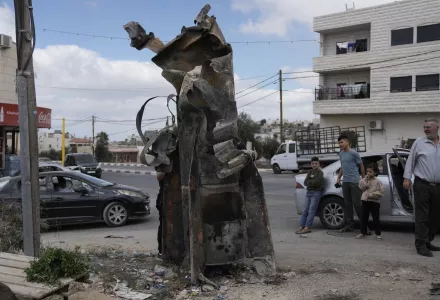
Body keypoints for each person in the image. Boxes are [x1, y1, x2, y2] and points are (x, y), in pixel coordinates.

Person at [403, 118, 440, 257]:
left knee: (435, 216)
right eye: (424, 127)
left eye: (428, 127)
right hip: (422, 184)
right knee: (422, 216)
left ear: (437, 127)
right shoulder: (419, 142)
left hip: (438, 186)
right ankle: (420, 245)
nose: (425, 130)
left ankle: (428, 241)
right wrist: (407, 178)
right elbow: (410, 161)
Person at [336, 134, 365, 233]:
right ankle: (350, 226)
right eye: (339, 143)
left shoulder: (354, 153)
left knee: (357, 204)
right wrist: (339, 177)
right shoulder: (341, 154)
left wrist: (363, 179)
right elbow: (342, 167)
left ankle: (364, 227)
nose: (340, 144)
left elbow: (361, 166)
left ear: (347, 142)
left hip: (354, 181)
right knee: (347, 204)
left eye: (341, 142)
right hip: (345, 181)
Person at [296, 157, 324, 234]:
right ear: (311, 164)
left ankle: (307, 227)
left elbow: (318, 182)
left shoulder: (320, 173)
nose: (314, 165)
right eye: (313, 163)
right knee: (305, 210)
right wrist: (312, 182)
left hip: (316, 192)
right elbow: (305, 182)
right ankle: (302, 226)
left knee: (311, 210)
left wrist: (310, 182)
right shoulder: (310, 172)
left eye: (316, 163)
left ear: (318, 164)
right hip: (309, 192)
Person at [356, 163, 384, 240]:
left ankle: (378, 234)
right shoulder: (364, 180)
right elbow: (361, 188)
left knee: (376, 218)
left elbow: (381, 192)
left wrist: (372, 195)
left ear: (375, 172)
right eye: (367, 171)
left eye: (370, 172)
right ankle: (363, 232)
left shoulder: (378, 181)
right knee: (364, 218)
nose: (368, 173)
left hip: (374, 202)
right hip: (365, 201)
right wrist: (366, 181)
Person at [156, 171, 165, 255]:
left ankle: (161, 250)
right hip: (163, 201)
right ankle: (161, 250)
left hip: (161, 201)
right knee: (163, 227)